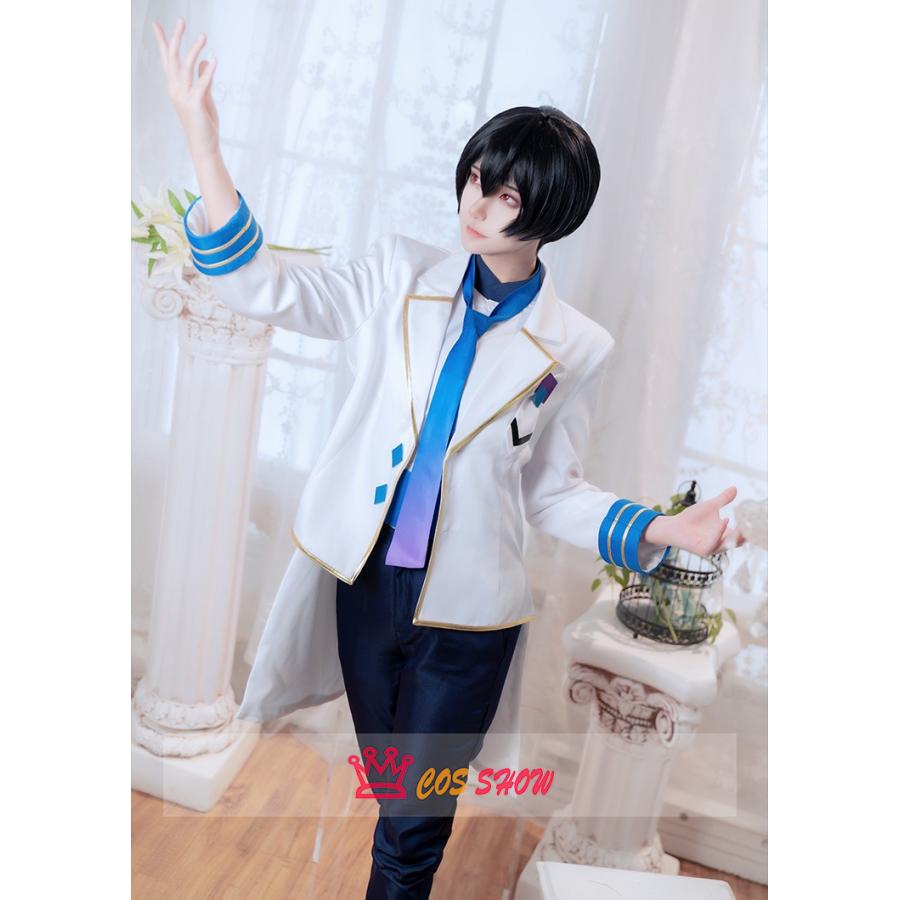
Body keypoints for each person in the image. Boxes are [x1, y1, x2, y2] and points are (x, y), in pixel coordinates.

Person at [152, 17, 746, 899]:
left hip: (468, 616)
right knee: (394, 791)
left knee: (412, 826)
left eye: (505, 196)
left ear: (549, 214)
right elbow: (266, 287)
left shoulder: (576, 346)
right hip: (365, 585)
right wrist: (204, 141)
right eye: (476, 179)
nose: (477, 205)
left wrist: (664, 530)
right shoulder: (397, 273)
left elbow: (551, 492)